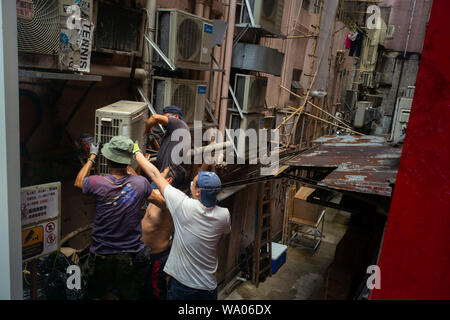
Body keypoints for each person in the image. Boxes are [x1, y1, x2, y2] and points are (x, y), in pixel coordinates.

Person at [132, 143, 231, 300]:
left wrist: (136, 152)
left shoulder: (183, 205)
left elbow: (155, 175)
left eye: (195, 182)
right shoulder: (224, 215)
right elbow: (222, 235)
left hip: (183, 286)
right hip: (208, 287)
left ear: (197, 192)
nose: (192, 182)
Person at [74, 136, 163, 300]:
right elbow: (162, 202)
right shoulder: (140, 184)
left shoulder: (97, 182)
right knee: (129, 296)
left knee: (97, 294)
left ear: (107, 160)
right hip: (128, 255)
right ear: (127, 161)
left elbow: (79, 182)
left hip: (101, 253)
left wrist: (92, 156)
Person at [141, 164, 186, 300]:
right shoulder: (158, 194)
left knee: (156, 292)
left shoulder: (169, 201)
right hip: (143, 253)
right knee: (142, 288)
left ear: (169, 180)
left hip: (156, 257)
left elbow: (141, 189)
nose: (159, 173)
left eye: (162, 172)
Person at [143, 105, 191, 171]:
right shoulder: (172, 132)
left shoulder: (180, 124)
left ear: (176, 116)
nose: (162, 123)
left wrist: (143, 132)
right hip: (165, 172)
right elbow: (162, 150)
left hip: (168, 174)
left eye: (166, 117)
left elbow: (154, 117)